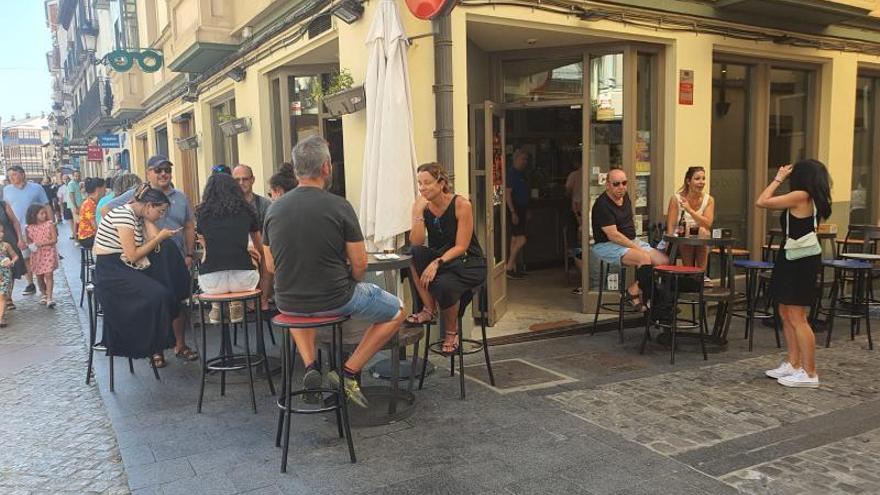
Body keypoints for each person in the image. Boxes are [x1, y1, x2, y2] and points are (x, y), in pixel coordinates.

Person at [263, 136, 405, 407]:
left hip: (288, 302)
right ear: (327, 167)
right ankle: (348, 371)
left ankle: (310, 366)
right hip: (335, 299)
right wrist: (349, 279)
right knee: (398, 310)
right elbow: (360, 264)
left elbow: (270, 266)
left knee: (298, 308)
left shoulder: (274, 209)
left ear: (295, 170)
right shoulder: (339, 206)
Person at [103, 156, 198, 365]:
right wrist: (123, 238)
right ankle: (156, 350)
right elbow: (106, 210)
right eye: (158, 170)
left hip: (176, 257)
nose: (163, 174)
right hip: (147, 260)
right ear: (149, 173)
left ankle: (180, 345)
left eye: (167, 170)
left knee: (178, 300)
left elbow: (190, 225)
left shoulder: (181, 197)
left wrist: (190, 254)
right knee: (156, 302)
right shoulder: (138, 194)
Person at [758, 159, 832, 388]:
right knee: (785, 311)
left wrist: (778, 178)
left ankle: (810, 373)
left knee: (798, 316)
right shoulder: (812, 197)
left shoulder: (801, 195)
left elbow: (762, 201)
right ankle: (794, 363)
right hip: (792, 255)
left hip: (799, 260)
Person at [93, 184, 180, 363]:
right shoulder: (125, 215)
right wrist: (160, 237)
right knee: (159, 295)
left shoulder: (137, 215)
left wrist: (150, 223)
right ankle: (148, 344)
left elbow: (156, 244)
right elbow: (133, 255)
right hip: (111, 271)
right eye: (161, 211)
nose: (161, 216)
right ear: (149, 206)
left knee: (168, 293)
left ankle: (154, 345)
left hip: (124, 267)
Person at [406, 163, 487, 353]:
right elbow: (417, 242)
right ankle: (429, 309)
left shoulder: (461, 205)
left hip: (467, 261)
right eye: (419, 184)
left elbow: (461, 246)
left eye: (427, 183)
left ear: (441, 183)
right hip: (441, 260)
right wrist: (417, 213)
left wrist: (437, 262)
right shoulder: (423, 207)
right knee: (411, 253)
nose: (422, 188)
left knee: (444, 285)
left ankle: (452, 333)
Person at [591, 168, 669, 310]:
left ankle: (633, 290)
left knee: (662, 261)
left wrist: (636, 244)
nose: (621, 187)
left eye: (624, 183)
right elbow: (613, 235)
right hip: (607, 244)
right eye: (616, 184)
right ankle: (653, 303)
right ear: (607, 185)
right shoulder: (602, 204)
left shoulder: (625, 197)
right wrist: (637, 248)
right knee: (643, 258)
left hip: (630, 240)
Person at [196, 173, 263, 323]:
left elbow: (207, 248)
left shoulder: (202, 214)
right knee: (255, 258)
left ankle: (216, 305)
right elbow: (260, 247)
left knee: (211, 259)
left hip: (211, 281)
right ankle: (237, 303)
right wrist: (252, 253)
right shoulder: (247, 211)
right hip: (244, 280)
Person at [2, 165, 49, 296]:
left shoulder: (37, 188)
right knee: (25, 258)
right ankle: (30, 283)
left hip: (37, 228)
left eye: (14, 175)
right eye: (10, 176)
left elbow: (46, 205)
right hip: (19, 230)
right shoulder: (6, 190)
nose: (11, 178)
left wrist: (51, 223)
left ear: (22, 174)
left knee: (40, 257)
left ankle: (44, 288)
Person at [665, 166, 715, 281]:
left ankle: (701, 274)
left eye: (703, 178)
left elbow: (708, 223)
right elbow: (671, 225)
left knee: (703, 230)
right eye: (697, 179)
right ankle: (690, 273)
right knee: (686, 233)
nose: (701, 182)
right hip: (682, 236)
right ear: (688, 181)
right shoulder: (676, 199)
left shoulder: (709, 200)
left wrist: (690, 210)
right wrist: (669, 244)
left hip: (702, 236)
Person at [25, 204, 59, 308]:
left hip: (48, 252)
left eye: (45, 213)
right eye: (41, 213)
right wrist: (29, 244)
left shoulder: (49, 224)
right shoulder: (29, 228)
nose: (44, 215)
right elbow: (29, 241)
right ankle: (44, 293)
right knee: (39, 275)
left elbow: (54, 239)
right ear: (33, 215)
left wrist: (41, 244)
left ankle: (49, 297)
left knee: (49, 275)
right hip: (36, 254)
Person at [505, 149, 530, 279]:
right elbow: (508, 193)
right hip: (516, 209)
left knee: (515, 239)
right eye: (522, 159)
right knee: (522, 239)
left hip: (522, 209)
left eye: (526, 159)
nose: (524, 162)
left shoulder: (522, 174)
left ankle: (513, 267)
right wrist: (513, 211)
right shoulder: (512, 174)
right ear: (515, 159)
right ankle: (509, 266)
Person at [0, 198, 26, 309]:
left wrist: (20, 238)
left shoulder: (3, 205)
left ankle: (8, 297)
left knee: (9, 268)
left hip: (8, 238)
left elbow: (15, 221)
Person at [77, 178, 105, 249]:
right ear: (98, 189)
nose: (105, 191)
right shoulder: (90, 204)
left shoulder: (91, 202)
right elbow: (95, 226)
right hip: (87, 237)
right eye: (104, 188)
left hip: (87, 236)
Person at [0, 225, 19, 327]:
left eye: (2, 232)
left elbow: (15, 256)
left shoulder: (6, 245)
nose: (1, 234)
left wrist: (11, 262)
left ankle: (1, 318)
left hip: (5, 274)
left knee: (3, 295)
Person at [565, 157, 583, 223]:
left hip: (577, 203)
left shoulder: (573, 175)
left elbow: (568, 190)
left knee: (580, 224)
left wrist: (567, 197)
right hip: (585, 202)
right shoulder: (589, 174)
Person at [67, 170, 84, 237]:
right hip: (75, 205)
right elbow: (71, 195)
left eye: (78, 175)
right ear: (73, 176)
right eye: (76, 176)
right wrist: (75, 207)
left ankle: (79, 236)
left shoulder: (78, 183)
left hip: (80, 204)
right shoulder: (71, 184)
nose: (77, 177)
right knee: (76, 222)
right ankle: (76, 238)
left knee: (78, 222)